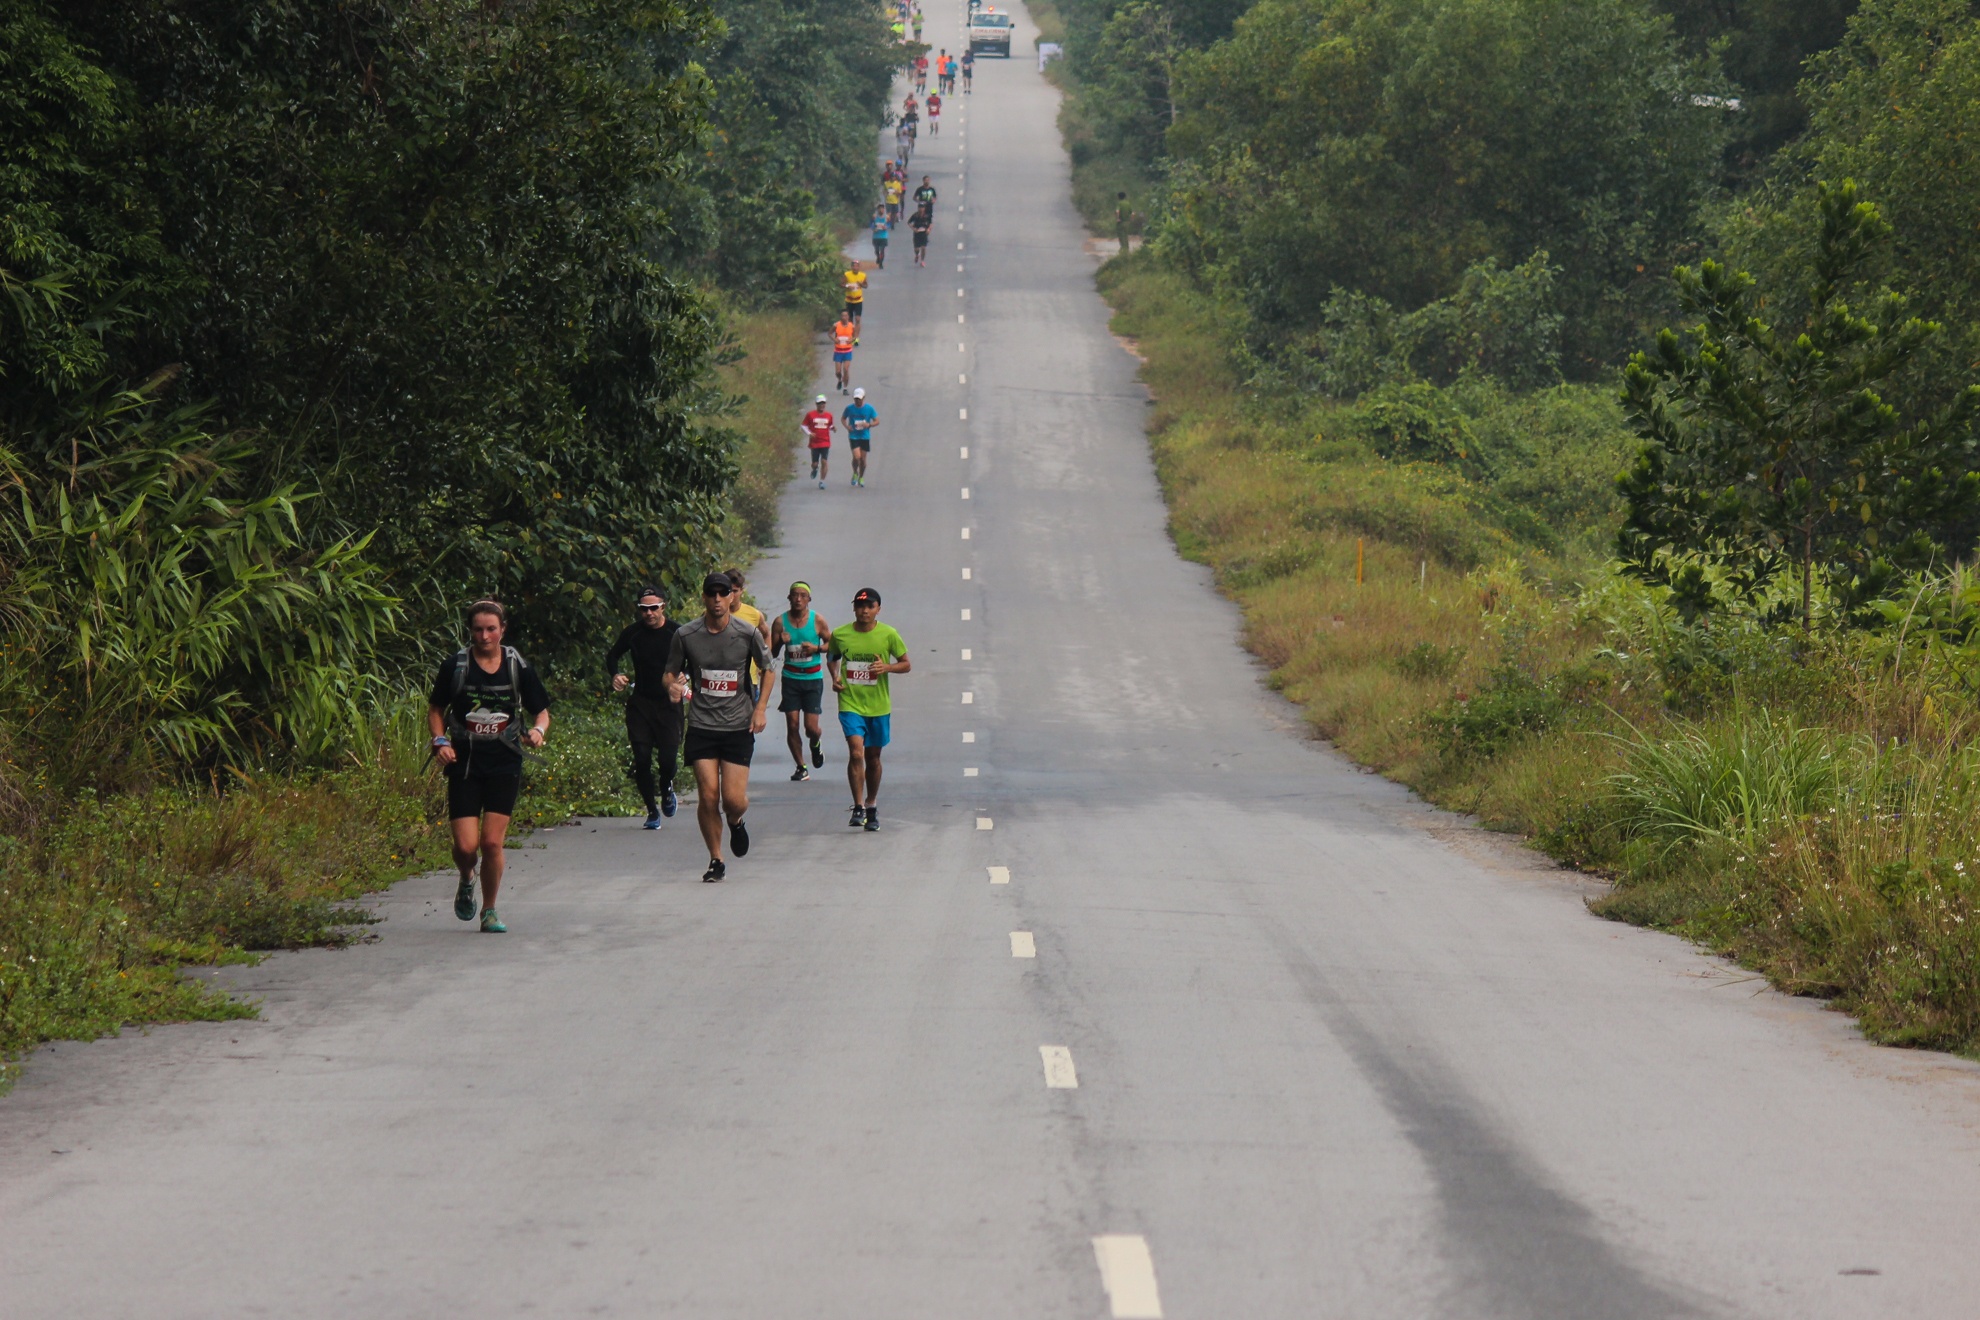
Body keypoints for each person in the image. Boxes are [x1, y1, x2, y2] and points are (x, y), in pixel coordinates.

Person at [428, 600, 551, 933]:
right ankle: (466, 876)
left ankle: (490, 910)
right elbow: (437, 709)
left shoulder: (518, 667)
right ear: (470, 631)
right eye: (478, 629)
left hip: (504, 760)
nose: (485, 636)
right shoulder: (455, 665)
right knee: (466, 848)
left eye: (491, 629)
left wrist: (538, 731)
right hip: (464, 762)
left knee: (492, 843)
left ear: (502, 629)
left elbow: (542, 711)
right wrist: (439, 741)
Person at [665, 574, 776, 882]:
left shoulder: (747, 632)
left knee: (733, 800)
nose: (716, 599)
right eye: (711, 593)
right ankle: (716, 858)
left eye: (722, 593)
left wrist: (761, 709)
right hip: (701, 724)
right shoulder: (686, 635)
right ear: (704, 597)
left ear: (731, 597)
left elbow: (768, 670)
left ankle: (737, 822)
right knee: (708, 796)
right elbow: (670, 673)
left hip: (738, 725)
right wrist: (673, 687)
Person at [829, 587, 910, 832]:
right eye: (860, 606)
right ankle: (858, 807)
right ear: (854, 608)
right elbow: (832, 657)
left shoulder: (888, 634)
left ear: (878, 609)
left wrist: (886, 667)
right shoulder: (840, 634)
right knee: (856, 753)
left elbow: (906, 664)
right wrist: (835, 677)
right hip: (850, 703)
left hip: (878, 705)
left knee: (873, 758)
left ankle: (871, 804)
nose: (864, 610)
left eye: (870, 606)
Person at [606, 586, 683, 829]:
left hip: (669, 703)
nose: (648, 613)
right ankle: (652, 811)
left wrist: (686, 676)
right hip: (641, 703)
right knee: (641, 758)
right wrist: (615, 675)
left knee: (668, 759)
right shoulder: (633, 633)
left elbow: (695, 658)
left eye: (653, 608)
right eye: (643, 609)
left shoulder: (677, 632)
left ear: (663, 607)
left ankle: (666, 786)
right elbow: (612, 656)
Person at [771, 582, 833, 781]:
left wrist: (816, 649)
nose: (798, 599)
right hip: (791, 679)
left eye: (802, 595)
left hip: (813, 679)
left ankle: (815, 745)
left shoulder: (817, 620)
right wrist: (780, 640)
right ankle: (801, 766)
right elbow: (771, 652)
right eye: (794, 595)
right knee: (792, 724)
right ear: (789, 598)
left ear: (809, 599)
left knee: (811, 728)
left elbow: (832, 644)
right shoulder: (780, 622)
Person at [841, 387, 877, 486]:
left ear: (863, 398)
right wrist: (847, 427)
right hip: (854, 436)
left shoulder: (869, 408)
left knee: (863, 461)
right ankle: (855, 473)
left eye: (859, 399)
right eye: (856, 399)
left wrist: (869, 425)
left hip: (865, 436)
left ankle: (861, 477)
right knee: (857, 457)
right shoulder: (849, 408)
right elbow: (843, 418)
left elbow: (877, 421)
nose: (858, 401)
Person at [802, 393, 836, 487]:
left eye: (823, 403)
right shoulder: (810, 415)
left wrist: (833, 428)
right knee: (815, 463)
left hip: (825, 442)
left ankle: (822, 481)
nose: (822, 405)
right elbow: (803, 425)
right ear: (816, 404)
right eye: (820, 403)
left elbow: (829, 425)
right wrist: (809, 433)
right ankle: (814, 469)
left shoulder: (829, 415)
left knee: (824, 461)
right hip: (815, 443)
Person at [842, 261, 866, 341]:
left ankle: (856, 338)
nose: (855, 268)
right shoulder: (847, 274)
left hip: (858, 300)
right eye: (854, 266)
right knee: (850, 320)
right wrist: (847, 286)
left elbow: (866, 285)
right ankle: (852, 336)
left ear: (859, 267)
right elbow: (842, 284)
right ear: (851, 267)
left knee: (858, 319)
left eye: (857, 266)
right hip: (849, 300)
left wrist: (861, 284)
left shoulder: (863, 275)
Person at [831, 314, 857, 392]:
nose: (844, 317)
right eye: (842, 316)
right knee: (838, 372)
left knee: (846, 369)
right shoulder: (836, 325)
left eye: (846, 316)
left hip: (847, 351)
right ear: (840, 317)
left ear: (848, 317)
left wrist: (851, 340)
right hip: (838, 351)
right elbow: (829, 333)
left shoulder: (852, 326)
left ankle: (845, 388)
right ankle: (840, 379)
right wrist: (834, 339)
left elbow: (855, 336)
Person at [909, 203, 932, 268]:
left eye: (922, 207)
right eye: (920, 207)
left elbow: (930, 224)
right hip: (917, 233)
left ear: (924, 208)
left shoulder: (927, 216)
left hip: (924, 233)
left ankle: (922, 260)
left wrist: (928, 230)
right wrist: (913, 229)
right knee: (916, 248)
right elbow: (909, 223)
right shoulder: (915, 215)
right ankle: (917, 254)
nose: (921, 209)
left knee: (923, 247)